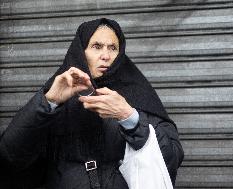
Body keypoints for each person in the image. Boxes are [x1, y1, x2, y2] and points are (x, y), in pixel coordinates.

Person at [0, 18, 184, 189]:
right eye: (97, 46)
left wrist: (130, 119)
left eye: (113, 48)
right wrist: (48, 102)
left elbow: (171, 159)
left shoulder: (138, 95)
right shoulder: (58, 93)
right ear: (81, 51)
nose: (106, 55)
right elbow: (10, 155)